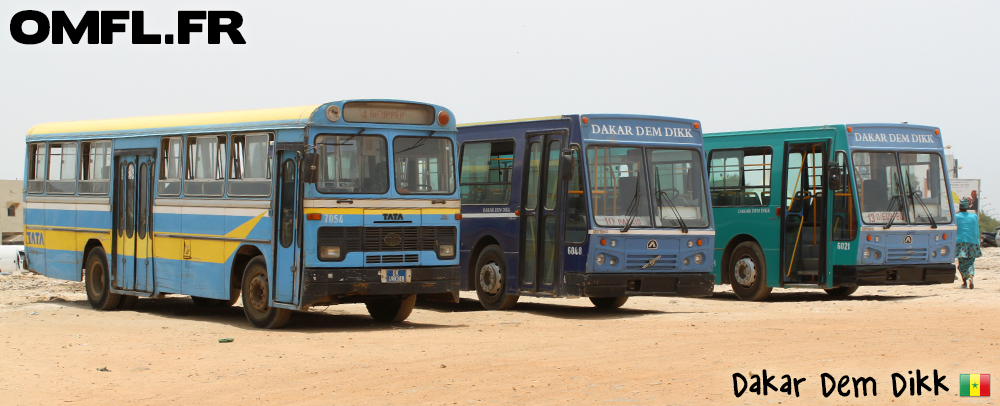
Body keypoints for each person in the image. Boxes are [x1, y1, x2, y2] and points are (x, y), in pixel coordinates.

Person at [955, 198, 981, 289]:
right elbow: (976, 229)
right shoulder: (974, 216)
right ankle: (971, 275)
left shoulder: (956, 217)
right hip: (973, 242)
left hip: (961, 242)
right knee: (971, 262)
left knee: (961, 264)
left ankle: (964, 282)